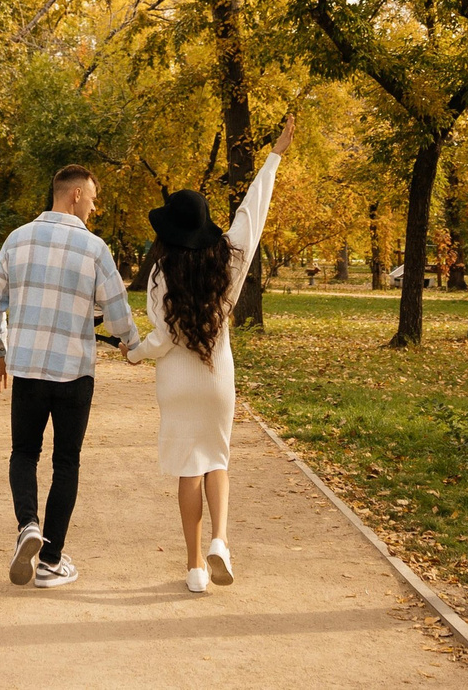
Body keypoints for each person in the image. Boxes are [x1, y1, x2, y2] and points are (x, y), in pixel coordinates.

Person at [128, 113, 294, 593]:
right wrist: (274, 156)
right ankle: (221, 539)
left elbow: (159, 340)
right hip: (217, 377)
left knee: (188, 469)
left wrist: (135, 353)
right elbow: (251, 214)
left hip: (177, 385)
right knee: (218, 459)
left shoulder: (160, 276)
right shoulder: (228, 263)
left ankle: (195, 566)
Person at [0, 163, 139, 591]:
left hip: (28, 368)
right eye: (92, 198)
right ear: (74, 195)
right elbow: (117, 308)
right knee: (66, 462)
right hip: (74, 373)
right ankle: (50, 559)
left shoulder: (17, 239)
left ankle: (28, 524)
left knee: (24, 453)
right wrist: (131, 343)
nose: (93, 207)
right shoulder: (93, 249)